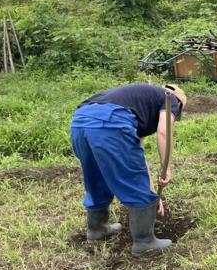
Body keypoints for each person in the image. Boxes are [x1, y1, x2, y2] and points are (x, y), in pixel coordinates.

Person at [69, 83, 187, 255]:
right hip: (110, 124)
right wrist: (166, 167)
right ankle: (145, 242)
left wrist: (152, 194)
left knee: (96, 178)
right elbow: (164, 132)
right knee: (132, 181)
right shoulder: (171, 99)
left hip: (80, 123)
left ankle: (97, 229)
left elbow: (136, 157)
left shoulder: (135, 102)